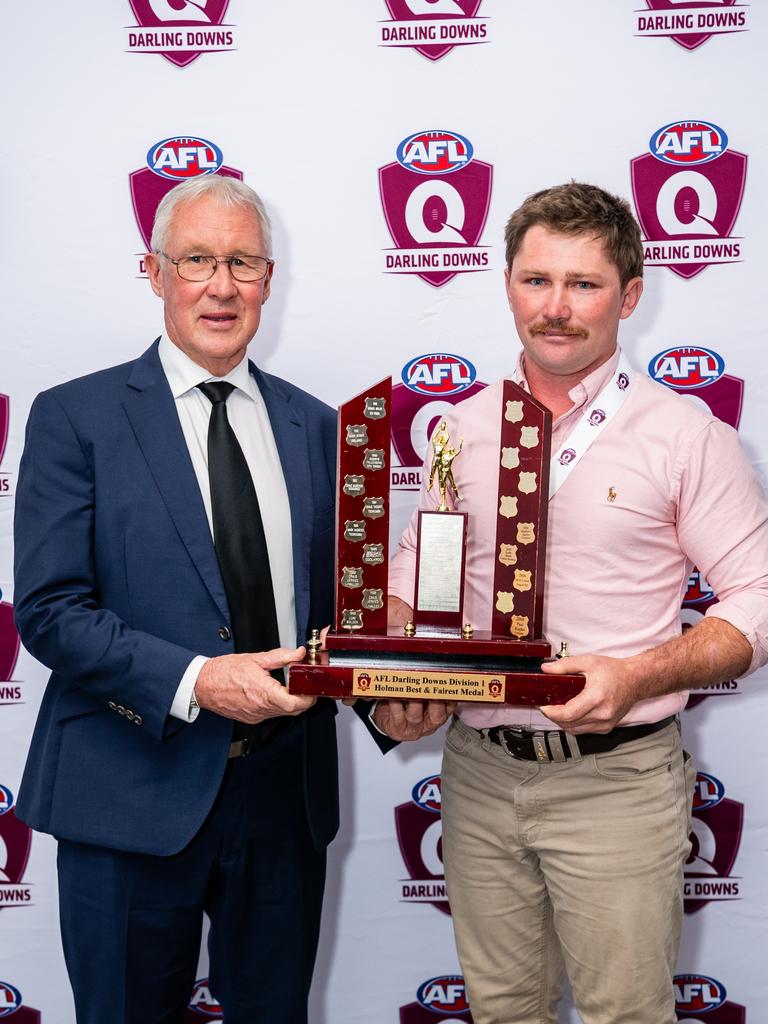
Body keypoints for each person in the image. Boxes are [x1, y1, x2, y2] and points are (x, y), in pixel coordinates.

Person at [381, 182, 768, 1023]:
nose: (555, 308)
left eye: (584, 284)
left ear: (630, 295)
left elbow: (758, 596)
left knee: (625, 1013)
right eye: (535, 280)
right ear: (508, 282)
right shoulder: (460, 431)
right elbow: (414, 589)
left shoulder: (685, 434)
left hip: (617, 782)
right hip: (479, 777)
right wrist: (398, 684)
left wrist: (638, 675)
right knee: (501, 1011)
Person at [13, 174, 391, 1024]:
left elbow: (342, 616)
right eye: (197, 260)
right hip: (129, 787)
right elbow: (50, 609)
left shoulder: (320, 428)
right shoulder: (77, 417)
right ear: (153, 272)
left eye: (244, 263)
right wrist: (197, 681)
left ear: (269, 278)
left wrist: (391, 702)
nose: (222, 286)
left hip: (282, 801)